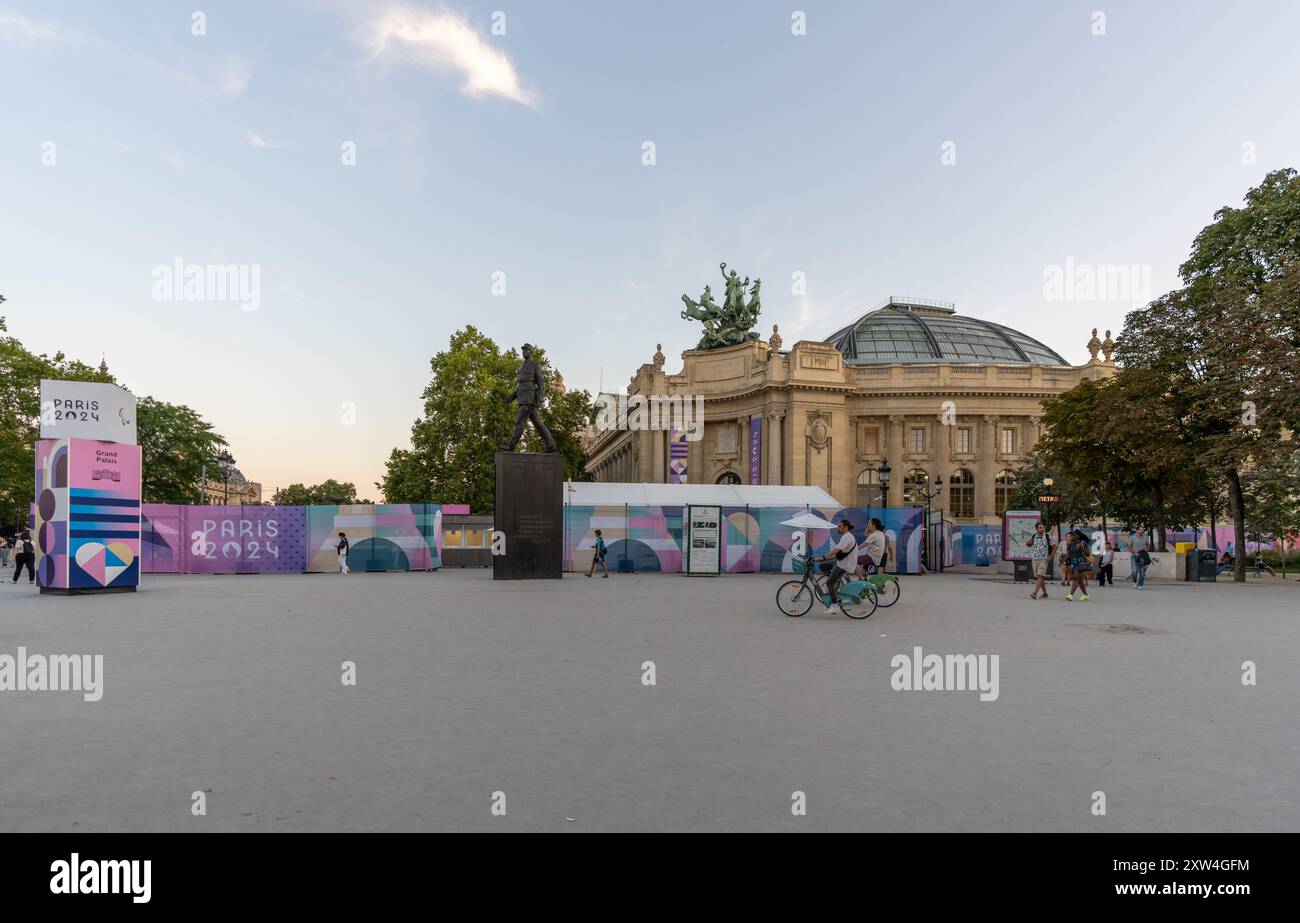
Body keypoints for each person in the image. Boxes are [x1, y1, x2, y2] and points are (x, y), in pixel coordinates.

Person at [818, 519, 860, 609]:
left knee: (829, 583)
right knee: (822, 565)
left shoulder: (847, 537)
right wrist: (821, 559)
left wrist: (823, 557)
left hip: (844, 564)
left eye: (840, 526)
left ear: (846, 527)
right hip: (841, 561)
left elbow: (836, 550)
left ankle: (834, 605)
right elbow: (838, 554)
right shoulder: (846, 536)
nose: (838, 528)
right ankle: (835, 580)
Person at [1025, 521, 1054, 599]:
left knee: (1040, 576)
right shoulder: (1034, 536)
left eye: (1043, 527)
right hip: (1035, 559)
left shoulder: (1048, 536)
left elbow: (1054, 547)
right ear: (1036, 529)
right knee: (1039, 577)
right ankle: (1045, 593)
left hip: (1044, 559)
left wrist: (1051, 556)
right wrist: (1027, 543)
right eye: (1040, 528)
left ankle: (1034, 593)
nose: (1042, 529)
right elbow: (1028, 544)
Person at [1066, 530, 1093, 601]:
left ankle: (1070, 595)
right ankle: (1085, 595)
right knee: (1080, 580)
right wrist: (1065, 562)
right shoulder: (1070, 544)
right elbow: (1069, 555)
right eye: (1071, 535)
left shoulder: (1082, 543)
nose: (1071, 536)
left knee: (1075, 578)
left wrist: (1081, 549)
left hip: (1080, 563)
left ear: (1078, 536)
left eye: (1073, 535)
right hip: (1073, 563)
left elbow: (1088, 554)